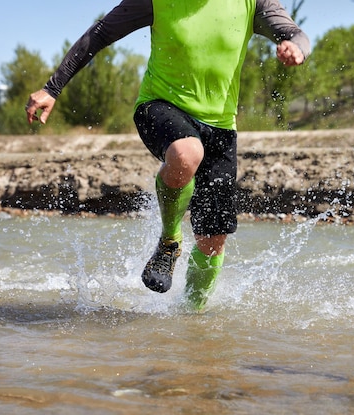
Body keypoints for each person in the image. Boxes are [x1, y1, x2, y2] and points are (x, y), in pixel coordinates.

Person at [25, 0, 310, 310]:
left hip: (221, 127)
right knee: (187, 152)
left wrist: (296, 48)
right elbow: (101, 33)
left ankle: (190, 319)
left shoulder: (253, 2)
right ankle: (170, 241)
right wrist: (52, 88)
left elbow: (295, 33)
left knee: (213, 242)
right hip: (159, 106)